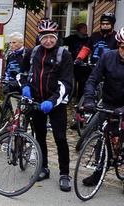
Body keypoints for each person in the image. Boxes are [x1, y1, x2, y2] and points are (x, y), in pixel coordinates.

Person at [19, 19, 73, 192]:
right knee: (39, 136)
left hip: (55, 104)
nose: (48, 40)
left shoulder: (64, 55)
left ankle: (64, 173)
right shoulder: (33, 52)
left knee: (60, 138)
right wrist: (26, 86)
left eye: (51, 37)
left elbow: (66, 83)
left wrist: (53, 100)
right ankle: (44, 167)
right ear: (39, 37)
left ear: (56, 37)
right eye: (44, 37)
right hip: (36, 101)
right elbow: (22, 73)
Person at [80, 26, 124, 187]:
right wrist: (89, 100)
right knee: (102, 136)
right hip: (108, 101)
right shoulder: (108, 57)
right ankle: (98, 172)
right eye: (122, 47)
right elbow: (93, 79)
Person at [74, 13, 118, 103]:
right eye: (103, 24)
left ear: (112, 24)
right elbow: (86, 49)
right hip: (94, 67)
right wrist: (79, 58)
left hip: (109, 68)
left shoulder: (116, 37)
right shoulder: (94, 36)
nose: (105, 26)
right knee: (87, 84)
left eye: (107, 24)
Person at [63, 23, 89, 103]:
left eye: (86, 28)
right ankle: (71, 96)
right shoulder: (73, 38)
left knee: (83, 82)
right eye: (83, 28)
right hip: (73, 63)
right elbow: (63, 41)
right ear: (79, 29)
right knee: (72, 80)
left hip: (83, 64)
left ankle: (80, 98)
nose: (85, 30)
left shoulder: (88, 39)